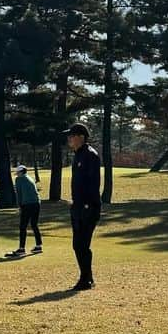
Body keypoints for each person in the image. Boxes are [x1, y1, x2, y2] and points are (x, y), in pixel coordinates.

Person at [66, 122, 101, 290]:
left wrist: (86, 205)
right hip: (77, 206)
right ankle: (87, 277)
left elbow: (92, 184)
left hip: (89, 207)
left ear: (81, 137)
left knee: (82, 244)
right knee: (77, 245)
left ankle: (85, 279)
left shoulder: (90, 155)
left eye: (72, 136)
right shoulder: (78, 155)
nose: (69, 139)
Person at [5, 165, 42, 258]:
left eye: (17, 172)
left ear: (21, 172)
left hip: (27, 204)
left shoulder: (19, 179)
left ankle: (21, 249)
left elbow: (19, 194)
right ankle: (38, 246)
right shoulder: (30, 178)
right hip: (36, 203)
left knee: (23, 227)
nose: (17, 174)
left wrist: (20, 206)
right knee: (34, 224)